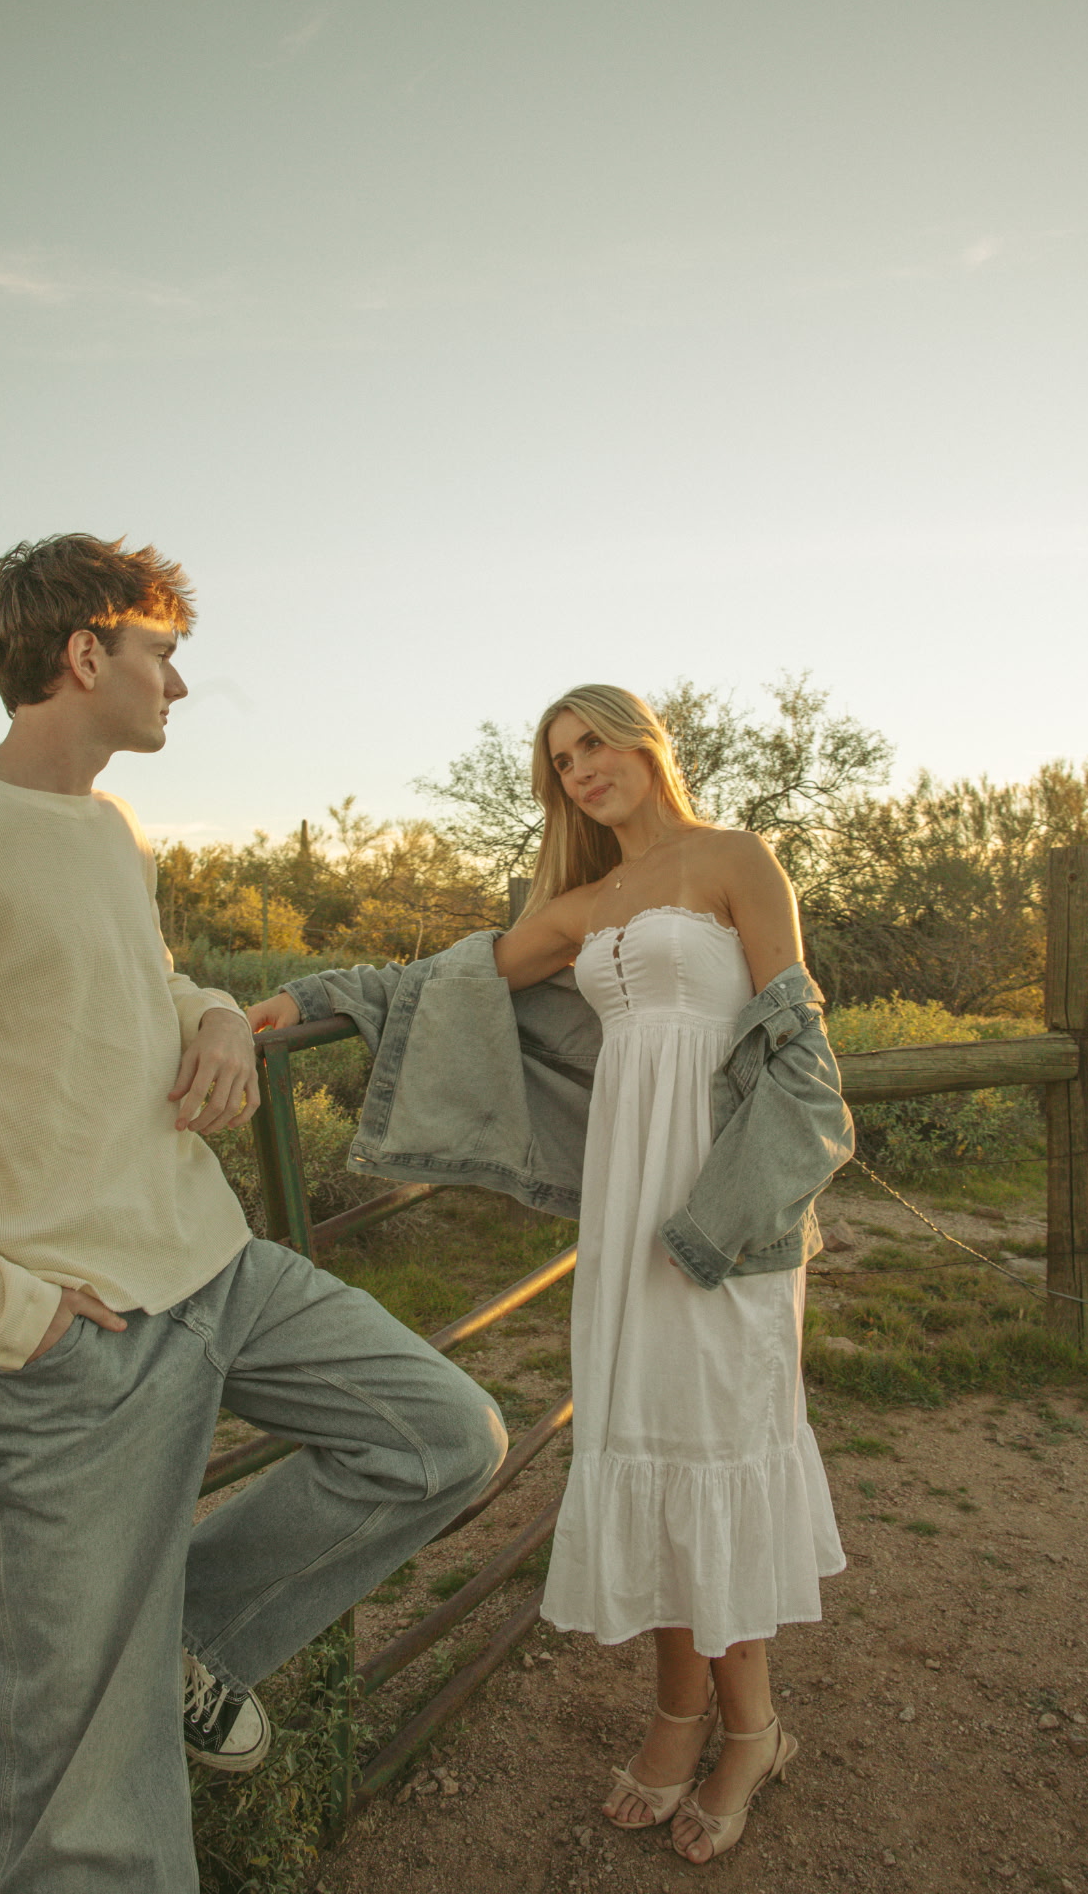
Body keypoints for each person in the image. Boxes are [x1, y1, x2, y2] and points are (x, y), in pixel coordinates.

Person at [0, 534, 505, 1894]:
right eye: (162, 650)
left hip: (218, 1270)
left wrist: (215, 1009)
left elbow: (136, 986)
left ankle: (172, 1642)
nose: (180, 681)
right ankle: (125, 1682)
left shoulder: (110, 830)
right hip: (70, 1340)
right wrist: (2, 1313)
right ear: (83, 653)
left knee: (444, 1437)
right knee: (92, 1817)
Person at [250, 682, 847, 1870]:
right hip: (625, 1213)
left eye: (594, 742)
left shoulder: (740, 859)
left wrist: (721, 1221)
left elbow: (800, 1047)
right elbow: (445, 984)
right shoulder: (581, 905)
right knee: (643, 1439)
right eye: (560, 758)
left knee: (714, 1445)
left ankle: (753, 1727)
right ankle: (681, 1713)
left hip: (721, 1209)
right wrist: (313, 995)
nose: (580, 768)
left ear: (644, 741)